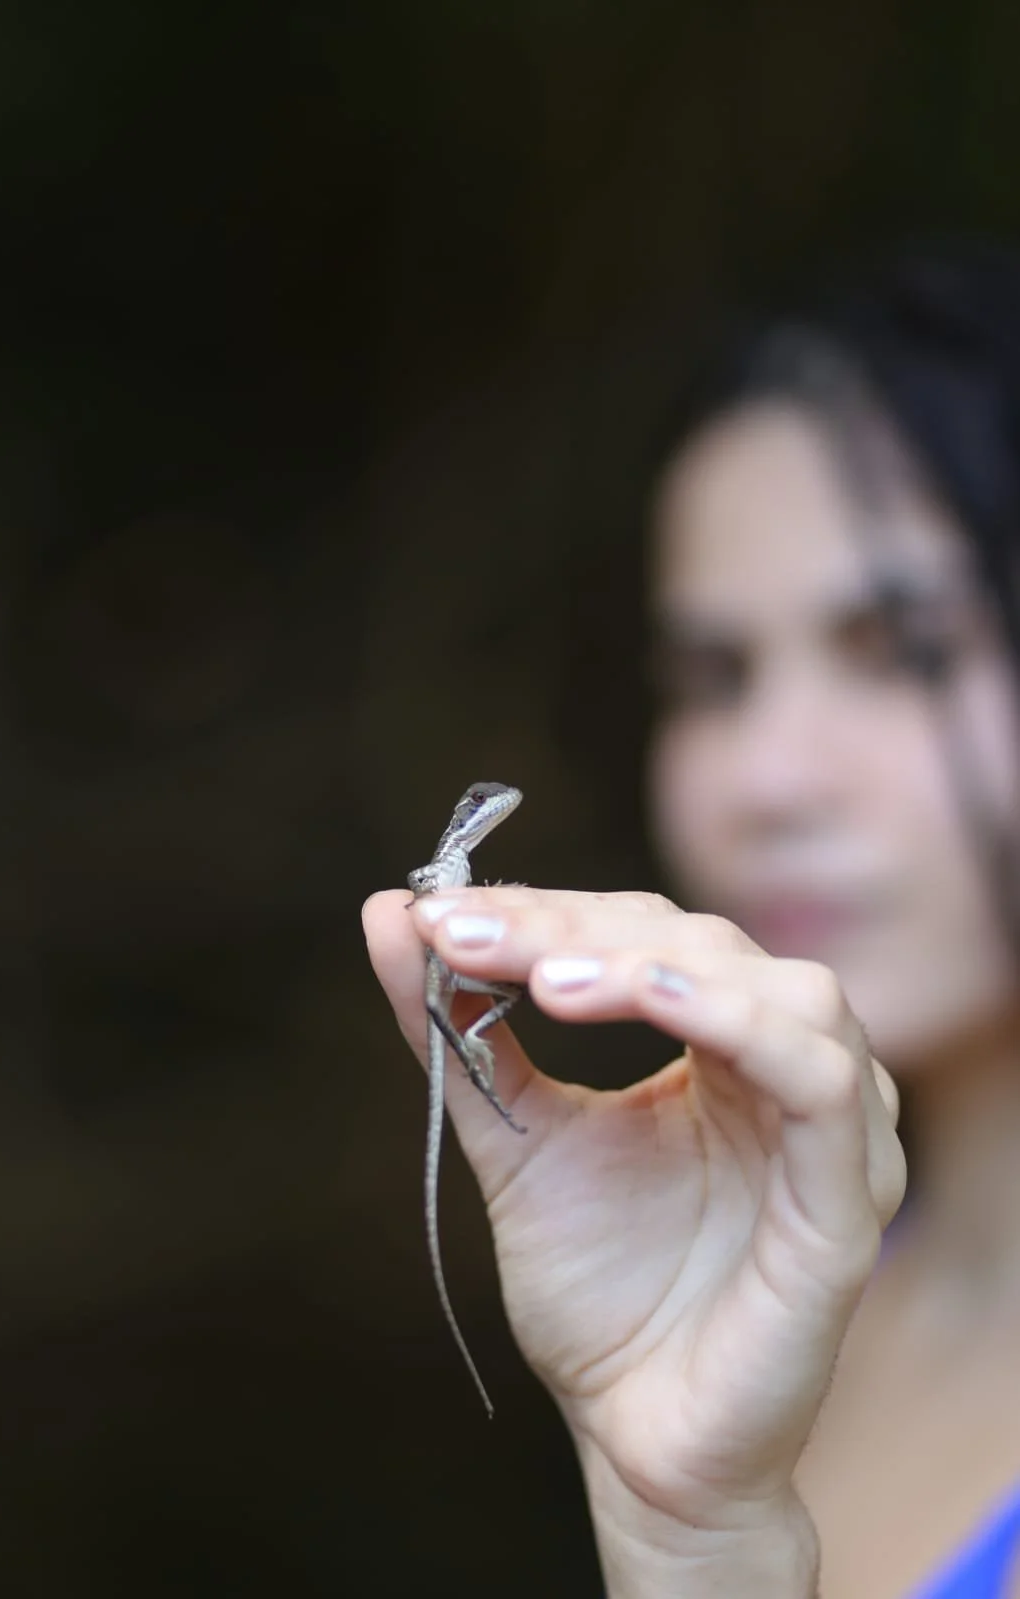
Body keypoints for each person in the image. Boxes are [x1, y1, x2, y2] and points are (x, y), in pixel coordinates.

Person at [362, 241, 1020, 1599]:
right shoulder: (770, 1299)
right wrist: (693, 1540)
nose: (766, 776)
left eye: (905, 648)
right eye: (710, 677)